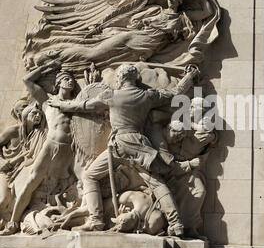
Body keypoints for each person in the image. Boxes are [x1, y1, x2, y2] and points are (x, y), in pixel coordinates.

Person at [48, 64, 198, 236]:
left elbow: (84, 105)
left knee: (89, 176)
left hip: (118, 146)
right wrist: (189, 77)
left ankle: (96, 220)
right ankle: (176, 223)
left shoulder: (111, 95)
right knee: (157, 183)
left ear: (119, 78)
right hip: (140, 145)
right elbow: (176, 93)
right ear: (136, 79)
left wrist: (61, 103)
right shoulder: (147, 96)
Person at [0, 61, 77, 235]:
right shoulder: (48, 101)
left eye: (72, 79)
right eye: (66, 79)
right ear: (58, 84)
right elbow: (27, 80)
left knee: (83, 179)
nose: (70, 81)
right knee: (32, 181)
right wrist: (48, 67)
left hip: (71, 149)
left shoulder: (77, 102)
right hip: (51, 145)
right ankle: (13, 222)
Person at [51, 0, 213, 68]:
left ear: (180, 0)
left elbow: (208, 12)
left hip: (145, 51)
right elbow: (128, 16)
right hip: (131, 38)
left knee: (104, 63)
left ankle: (63, 63)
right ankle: (56, 57)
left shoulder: (183, 17)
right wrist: (102, 26)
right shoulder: (156, 10)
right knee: (93, 53)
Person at [0, 103, 47, 230]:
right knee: (3, 201)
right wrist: (13, 160)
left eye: (40, 115)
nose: (38, 116)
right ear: (26, 115)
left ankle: (12, 222)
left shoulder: (38, 134)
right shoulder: (13, 131)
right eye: (34, 113)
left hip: (21, 170)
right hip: (5, 170)